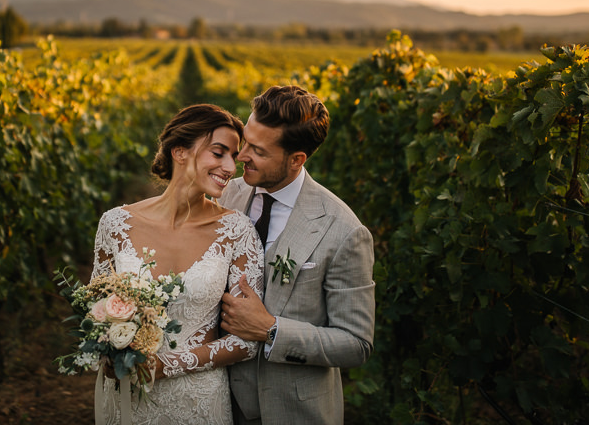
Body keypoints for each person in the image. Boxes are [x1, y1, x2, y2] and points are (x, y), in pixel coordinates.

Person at [92, 104, 264, 425]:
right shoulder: (115, 224)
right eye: (219, 153)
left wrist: (165, 365)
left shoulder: (237, 231)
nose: (230, 167)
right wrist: (108, 353)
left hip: (198, 401)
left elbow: (247, 341)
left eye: (233, 156)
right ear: (180, 152)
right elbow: (96, 311)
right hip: (126, 398)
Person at [219, 85, 376, 424]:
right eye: (245, 140)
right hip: (219, 401)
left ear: (296, 160)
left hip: (294, 411)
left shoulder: (344, 230)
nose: (241, 155)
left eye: (257, 150)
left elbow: (356, 342)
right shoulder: (225, 196)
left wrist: (271, 330)